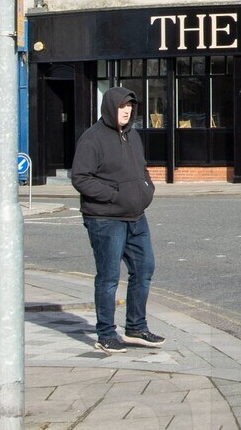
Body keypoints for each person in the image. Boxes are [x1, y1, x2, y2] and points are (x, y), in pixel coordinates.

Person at [70, 87, 162, 354]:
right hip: (105, 219)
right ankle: (106, 333)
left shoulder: (132, 135)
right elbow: (81, 178)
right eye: (122, 106)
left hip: (136, 216)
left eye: (130, 106)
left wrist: (146, 188)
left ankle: (136, 327)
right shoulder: (92, 139)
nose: (127, 110)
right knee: (109, 277)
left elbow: (142, 167)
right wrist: (114, 195)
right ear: (110, 107)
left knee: (144, 269)